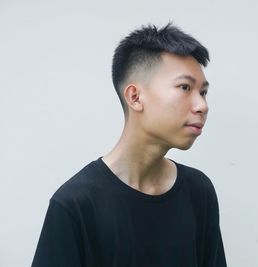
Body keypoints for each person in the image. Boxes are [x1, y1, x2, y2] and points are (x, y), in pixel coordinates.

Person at [31, 23, 227, 267]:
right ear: (135, 97)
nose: (202, 105)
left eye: (204, 92)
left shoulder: (199, 192)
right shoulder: (75, 205)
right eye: (185, 87)